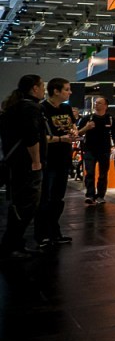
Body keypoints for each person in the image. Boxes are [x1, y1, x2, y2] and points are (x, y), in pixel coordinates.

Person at [0, 75, 47, 260]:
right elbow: (31, 136)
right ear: (34, 88)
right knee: (26, 206)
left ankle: (15, 244)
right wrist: (36, 161)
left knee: (20, 204)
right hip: (26, 165)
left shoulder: (15, 106)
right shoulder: (30, 108)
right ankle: (11, 246)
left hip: (16, 164)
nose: (44, 90)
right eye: (42, 86)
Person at [35, 76, 77, 248]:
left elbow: (72, 126)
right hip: (48, 160)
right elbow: (38, 137)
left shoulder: (66, 108)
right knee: (45, 198)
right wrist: (60, 139)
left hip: (64, 158)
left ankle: (54, 231)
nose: (70, 92)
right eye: (66, 89)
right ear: (56, 91)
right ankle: (42, 234)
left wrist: (73, 132)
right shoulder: (41, 109)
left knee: (58, 198)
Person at [79, 96, 115, 205]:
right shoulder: (87, 118)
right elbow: (78, 133)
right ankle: (90, 195)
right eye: (96, 103)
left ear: (105, 106)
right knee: (90, 173)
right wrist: (87, 128)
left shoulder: (110, 119)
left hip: (104, 150)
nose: (96, 104)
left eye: (99, 103)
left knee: (103, 174)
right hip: (89, 149)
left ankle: (100, 195)